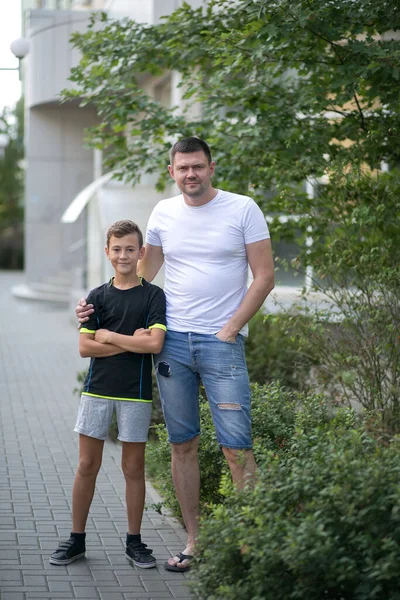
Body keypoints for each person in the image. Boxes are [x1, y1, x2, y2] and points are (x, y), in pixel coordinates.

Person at [76, 137, 275, 572]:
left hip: (222, 344)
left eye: (198, 166)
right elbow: (140, 278)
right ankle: (194, 542)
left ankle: (253, 548)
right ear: (172, 172)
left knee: (237, 448)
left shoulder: (243, 209)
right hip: (173, 347)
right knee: (182, 445)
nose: (191, 174)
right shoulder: (164, 213)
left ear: (211, 167)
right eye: (183, 167)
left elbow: (264, 277)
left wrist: (231, 328)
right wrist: (95, 310)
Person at [50, 220, 166, 569]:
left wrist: (109, 336)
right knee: (87, 465)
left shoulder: (153, 296)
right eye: (117, 249)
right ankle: (76, 540)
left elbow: (155, 343)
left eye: (130, 249)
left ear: (141, 252)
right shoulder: (97, 297)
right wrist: (133, 342)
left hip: (136, 393)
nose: (123, 255)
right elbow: (85, 348)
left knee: (134, 468)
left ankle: (134, 542)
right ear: (107, 252)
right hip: (97, 392)